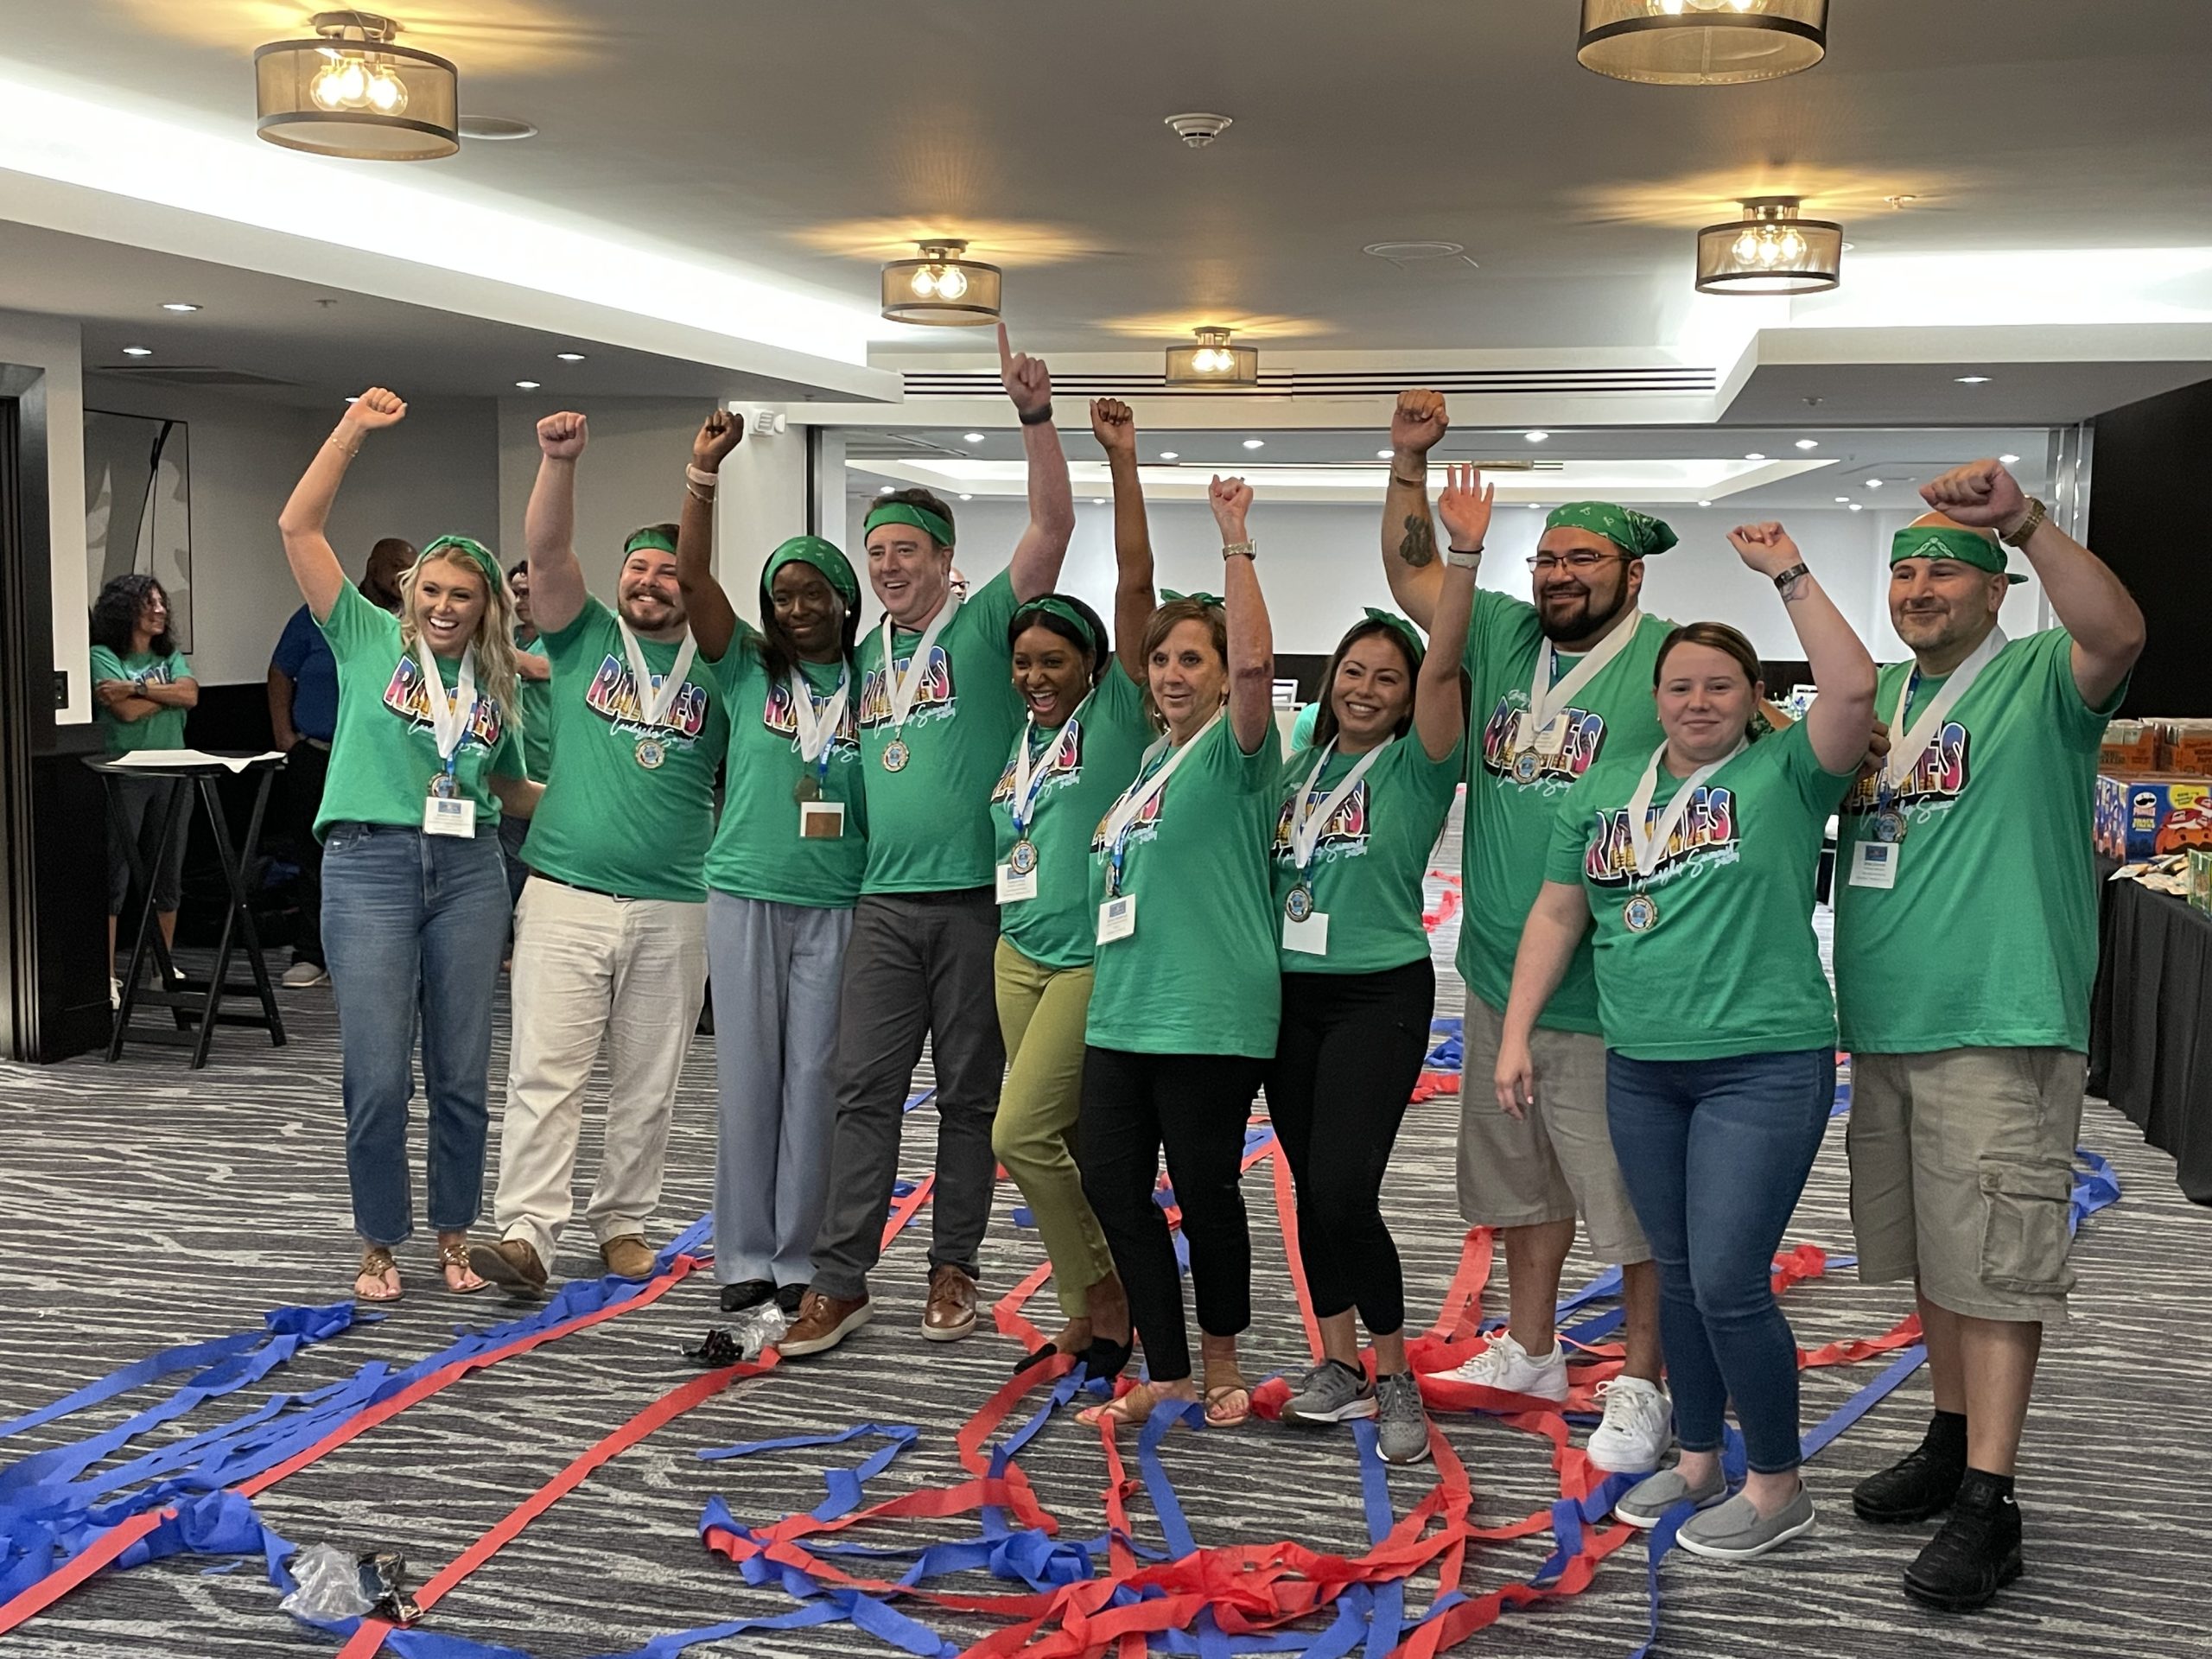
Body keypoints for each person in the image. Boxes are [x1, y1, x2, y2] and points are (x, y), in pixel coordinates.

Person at [1494, 523, 1877, 1561]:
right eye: (1680, 687)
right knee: (1677, 1265)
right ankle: (1700, 1457)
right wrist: (1515, 1035)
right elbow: (1556, 915)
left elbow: (1849, 691)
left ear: (1753, 698)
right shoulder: (1607, 788)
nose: (1698, 701)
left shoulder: (1788, 775)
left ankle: (1777, 1485)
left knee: (1730, 1282)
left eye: (1720, 685)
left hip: (1761, 1064)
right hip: (1642, 1069)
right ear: (1654, 699)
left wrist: (1791, 574)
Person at [1833, 462, 2143, 1611]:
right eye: (1905, 571)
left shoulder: (2041, 683)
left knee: (2000, 1266)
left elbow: (2118, 630)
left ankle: (1990, 1502)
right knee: (1940, 1254)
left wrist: (2024, 519)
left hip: (2000, 1019)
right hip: (1891, 1025)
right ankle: (1951, 1437)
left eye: (1943, 572)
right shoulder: (1885, 705)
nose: (1918, 587)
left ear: (1995, 589)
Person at [1380, 387, 1675, 1475]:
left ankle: (1644, 1381)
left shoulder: (1665, 662)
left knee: (1629, 1199)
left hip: (1612, 981)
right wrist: (1407, 465)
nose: (1557, 576)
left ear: (1629, 575)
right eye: (1547, 559)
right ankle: (1535, 1347)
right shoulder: (1501, 633)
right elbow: (1414, 576)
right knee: (1520, 1181)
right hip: (1500, 967)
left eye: (1581, 560)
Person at [782, 325, 1074, 1357]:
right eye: (877, 555)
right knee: (857, 1090)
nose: (890, 566)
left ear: (945, 562)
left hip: (981, 903)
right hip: (883, 906)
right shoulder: (863, 664)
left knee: (968, 1098)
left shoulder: (992, 626)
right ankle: (840, 1279)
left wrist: (1034, 421)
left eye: (906, 551)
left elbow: (1050, 525)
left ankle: (953, 1266)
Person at [276, 386, 537, 1302]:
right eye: (431, 590)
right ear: (408, 591)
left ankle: (455, 1238)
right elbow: (298, 529)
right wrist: (349, 432)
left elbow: (503, 789)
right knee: (378, 1074)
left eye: (461, 596)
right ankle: (378, 1241)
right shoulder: (359, 636)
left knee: (463, 1071)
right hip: (369, 864)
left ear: (484, 606)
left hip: (471, 870)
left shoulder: (500, 682)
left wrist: (606, 806)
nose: (443, 606)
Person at [468, 414, 730, 1298]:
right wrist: (556, 460)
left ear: (690, 584)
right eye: (638, 568)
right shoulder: (581, 638)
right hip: (566, 892)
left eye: (668, 571)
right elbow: (544, 555)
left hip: (676, 899)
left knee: (650, 1076)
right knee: (546, 1067)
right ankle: (527, 1231)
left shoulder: (720, 665)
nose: (651, 582)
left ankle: (624, 1218)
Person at [1270, 465, 1482, 1465]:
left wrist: (1463, 556)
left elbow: (1445, 669)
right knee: (1312, 1191)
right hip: (1283, 1000)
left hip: (1376, 995)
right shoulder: (1291, 769)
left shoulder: (1416, 761)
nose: (1363, 688)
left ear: (1408, 700)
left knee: (1347, 1192)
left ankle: (1396, 1378)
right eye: (1350, 673)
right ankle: (1338, 1363)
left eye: (1384, 678)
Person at [1074, 474, 1280, 1430]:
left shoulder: (1240, 754)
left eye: (1192, 659)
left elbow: (1251, 674)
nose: (1172, 674)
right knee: (1113, 1187)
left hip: (1207, 1013)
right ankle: (1164, 1362)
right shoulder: (1147, 764)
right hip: (1123, 1009)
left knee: (1205, 1194)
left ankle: (1222, 1360)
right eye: (1161, 660)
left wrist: (1232, 540)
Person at [671, 407, 868, 1318]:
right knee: (748, 1078)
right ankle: (742, 1254)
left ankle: (802, 1259)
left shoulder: (880, 684)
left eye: (811, 593)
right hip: (744, 890)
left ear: (843, 601)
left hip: (840, 900)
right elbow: (692, 575)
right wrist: (703, 476)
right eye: (782, 594)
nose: (795, 607)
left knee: (817, 1084)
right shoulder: (747, 669)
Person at [988, 397, 1159, 1376]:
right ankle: (1085, 1307)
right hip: (1015, 952)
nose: (1035, 676)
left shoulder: (1120, 718)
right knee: (1061, 1143)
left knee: (1024, 1134)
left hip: (1092, 958)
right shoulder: (1020, 736)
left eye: (1053, 662)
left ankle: (1105, 1294)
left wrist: (1120, 462)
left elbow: (1134, 580)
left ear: (1093, 666)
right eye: (1022, 662)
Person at [270, 538, 412, 988]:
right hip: (316, 754)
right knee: (312, 859)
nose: (401, 577)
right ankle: (311, 954)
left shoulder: (412, 626)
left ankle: (368, 958)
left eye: (409, 570)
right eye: (394, 567)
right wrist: (285, 738)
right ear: (371, 565)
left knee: (374, 858)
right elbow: (279, 672)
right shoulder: (322, 613)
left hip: (378, 763)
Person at [89, 574, 198, 1001]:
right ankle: (106, 972)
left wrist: (136, 687)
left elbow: (189, 695)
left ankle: (162, 964)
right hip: (127, 773)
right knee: (116, 873)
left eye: (160, 603)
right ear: (124, 610)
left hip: (175, 771)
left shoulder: (169, 654)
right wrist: (161, 695)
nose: (159, 610)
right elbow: (127, 714)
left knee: (168, 870)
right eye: (148, 603)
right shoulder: (103, 655)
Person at [502, 556, 556, 912]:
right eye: (516, 594)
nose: (522, 602)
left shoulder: (560, 640)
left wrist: (483, 646)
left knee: (546, 864)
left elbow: (539, 668)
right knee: (510, 860)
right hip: (510, 770)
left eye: (529, 593)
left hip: (551, 771)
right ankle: (511, 938)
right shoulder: (511, 639)